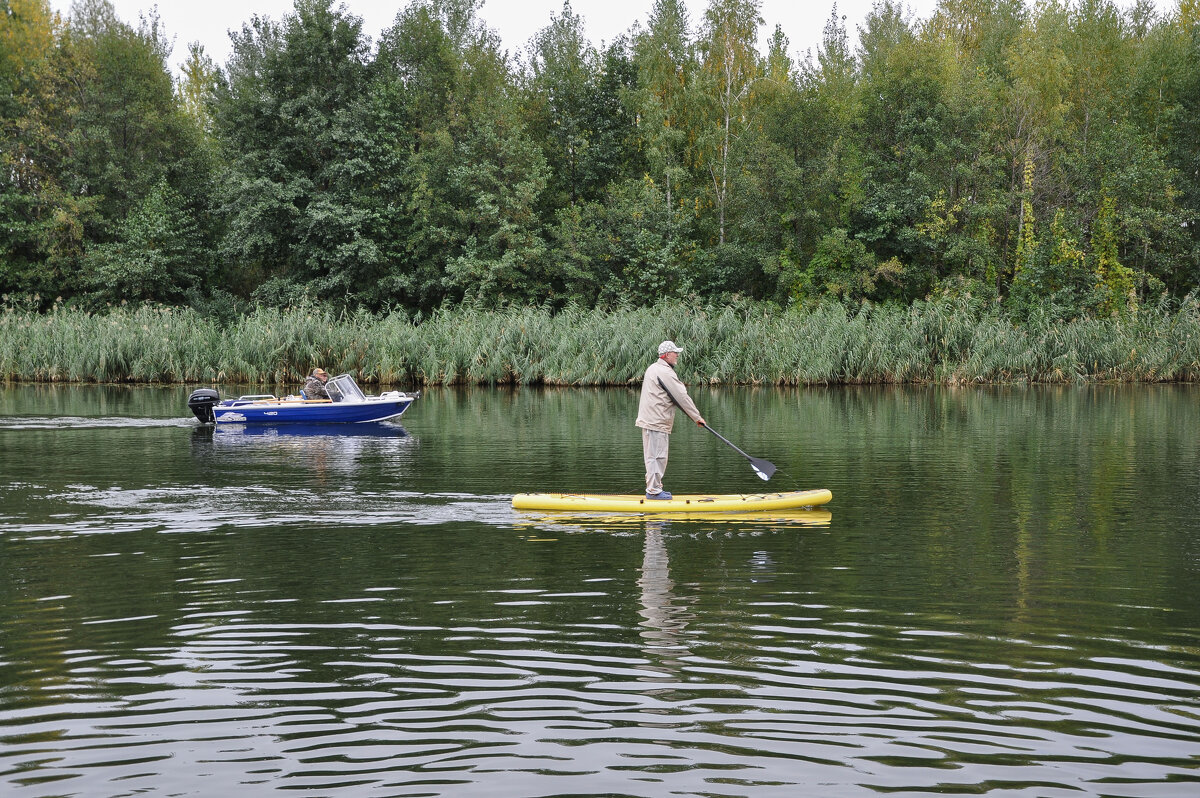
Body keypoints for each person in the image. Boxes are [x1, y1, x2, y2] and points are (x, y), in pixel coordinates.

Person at [635, 340, 705, 500]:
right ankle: (653, 491)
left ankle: (655, 488)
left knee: (655, 456)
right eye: (675, 353)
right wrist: (697, 417)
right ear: (667, 355)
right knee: (657, 457)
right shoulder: (664, 372)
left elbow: (675, 397)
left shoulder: (653, 368)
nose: (677, 355)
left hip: (652, 421)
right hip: (656, 421)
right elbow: (681, 397)